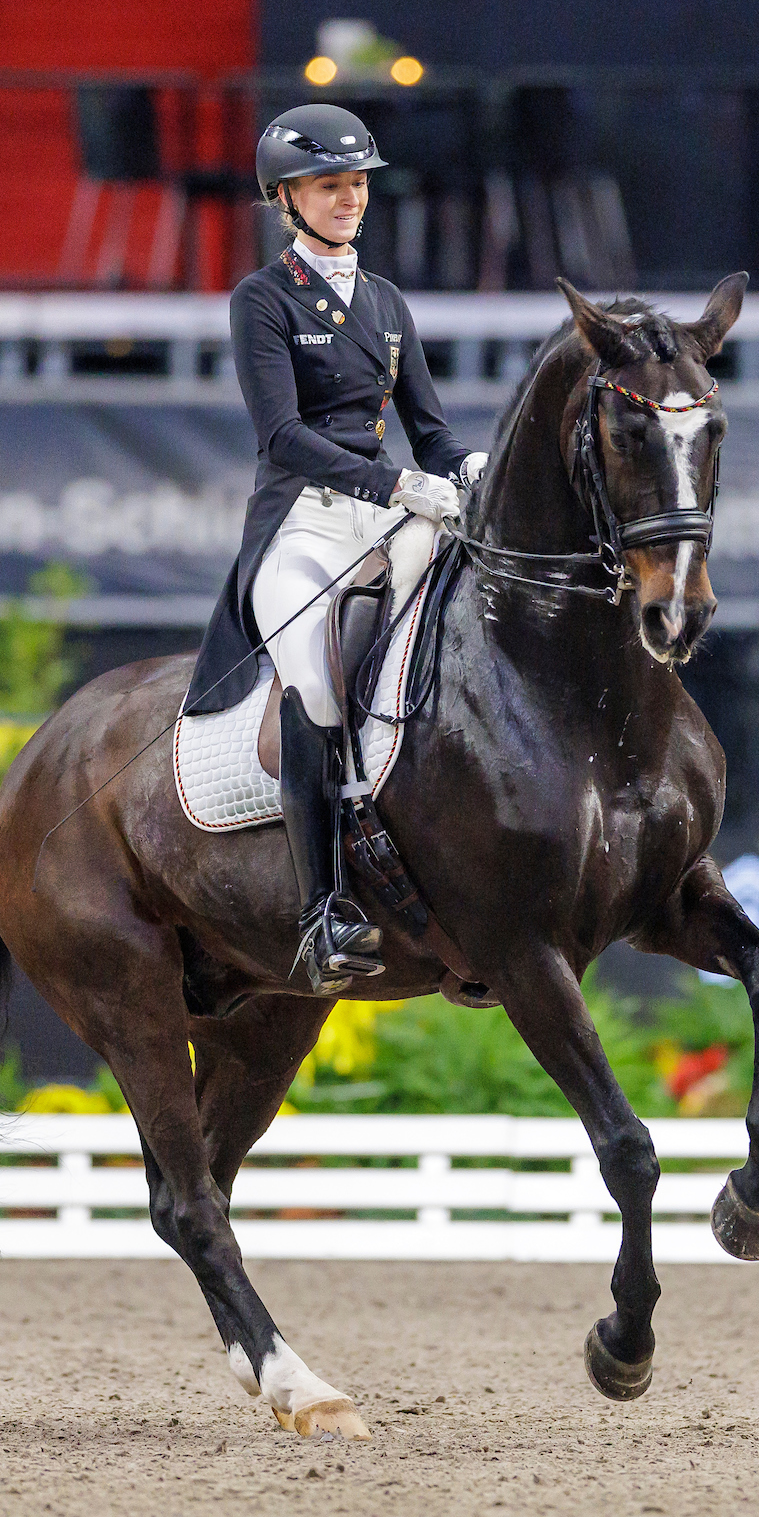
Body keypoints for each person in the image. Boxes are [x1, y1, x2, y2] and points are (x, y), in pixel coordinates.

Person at [181, 103, 486, 995]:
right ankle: (323, 912)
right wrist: (394, 484)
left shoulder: (387, 301)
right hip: (304, 521)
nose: (349, 197)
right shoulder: (263, 300)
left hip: (393, 516)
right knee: (316, 684)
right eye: (329, 185)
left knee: (459, 637)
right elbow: (280, 435)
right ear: (288, 197)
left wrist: (471, 468)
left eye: (357, 183)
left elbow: (429, 433)